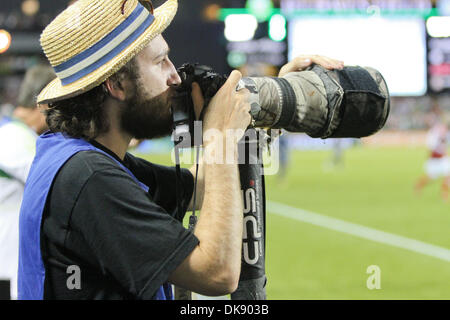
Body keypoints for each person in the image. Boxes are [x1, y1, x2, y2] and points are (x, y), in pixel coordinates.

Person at [18, 0, 344, 300]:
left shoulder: (76, 156)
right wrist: (218, 138)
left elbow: (200, 189)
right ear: (116, 85)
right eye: (160, 62)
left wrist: (270, 103)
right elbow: (216, 273)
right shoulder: (88, 178)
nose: (175, 75)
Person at [0, 64, 55, 300]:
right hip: (7, 264)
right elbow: (57, 183)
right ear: (44, 105)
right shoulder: (16, 138)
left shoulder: (12, 133)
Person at [414, 102, 450, 201]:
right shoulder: (433, 134)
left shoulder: (445, 132)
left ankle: (444, 194)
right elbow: (431, 147)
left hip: (443, 158)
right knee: (430, 178)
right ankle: (418, 185)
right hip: (434, 159)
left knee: (448, 175)